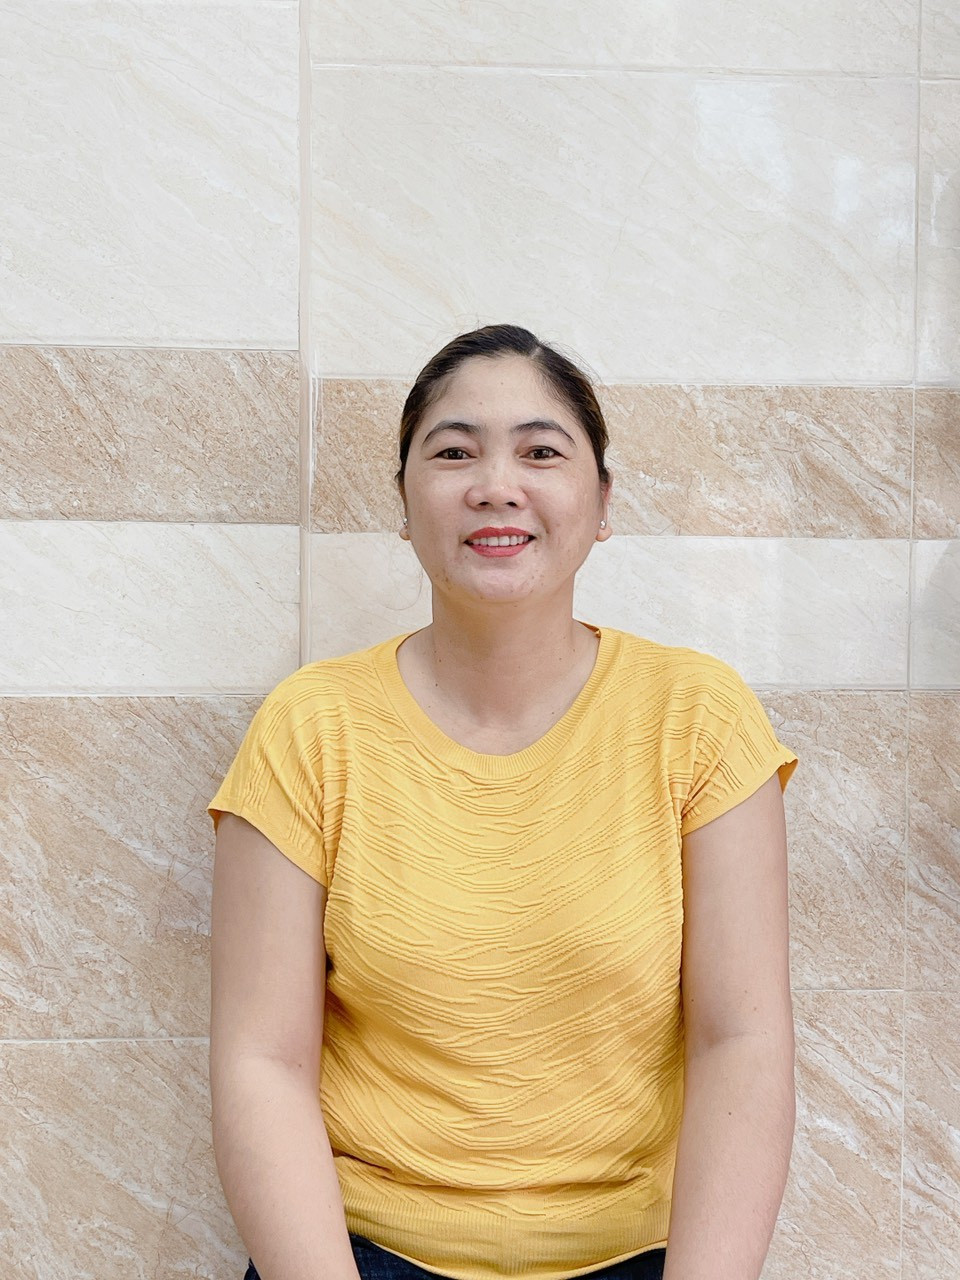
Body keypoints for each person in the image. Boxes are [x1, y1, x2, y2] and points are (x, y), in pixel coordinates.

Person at [207, 323, 799, 1280]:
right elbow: (260, 1063)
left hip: (639, 1256)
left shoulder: (697, 717)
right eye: (453, 453)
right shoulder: (311, 727)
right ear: (405, 504)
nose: (496, 485)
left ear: (602, 503)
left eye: (540, 451)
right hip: (364, 1255)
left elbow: (743, 1041)